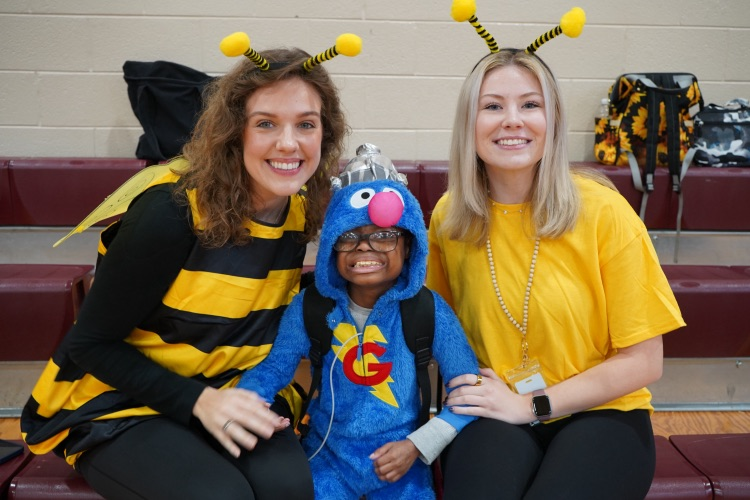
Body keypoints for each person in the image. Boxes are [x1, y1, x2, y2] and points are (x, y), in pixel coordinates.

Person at [20, 46, 348, 500]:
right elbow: (91, 345)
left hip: (227, 386)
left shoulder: (298, 207)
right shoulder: (171, 213)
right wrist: (198, 402)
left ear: (325, 134)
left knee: (289, 487)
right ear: (235, 132)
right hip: (119, 402)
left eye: (306, 124)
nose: (288, 143)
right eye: (266, 123)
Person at [426, 48, 686, 500]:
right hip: (496, 408)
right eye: (492, 106)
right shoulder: (451, 218)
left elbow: (645, 361)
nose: (512, 120)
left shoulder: (604, 211)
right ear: (469, 123)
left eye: (530, 104)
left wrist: (530, 405)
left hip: (602, 412)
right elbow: (438, 334)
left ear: (554, 120)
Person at [237, 144, 480, 500]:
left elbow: (468, 390)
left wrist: (418, 446)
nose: (364, 248)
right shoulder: (311, 307)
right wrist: (248, 405)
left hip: (403, 462)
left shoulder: (428, 310)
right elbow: (274, 369)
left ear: (409, 245)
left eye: (383, 236)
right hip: (326, 457)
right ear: (332, 247)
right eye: (349, 236)